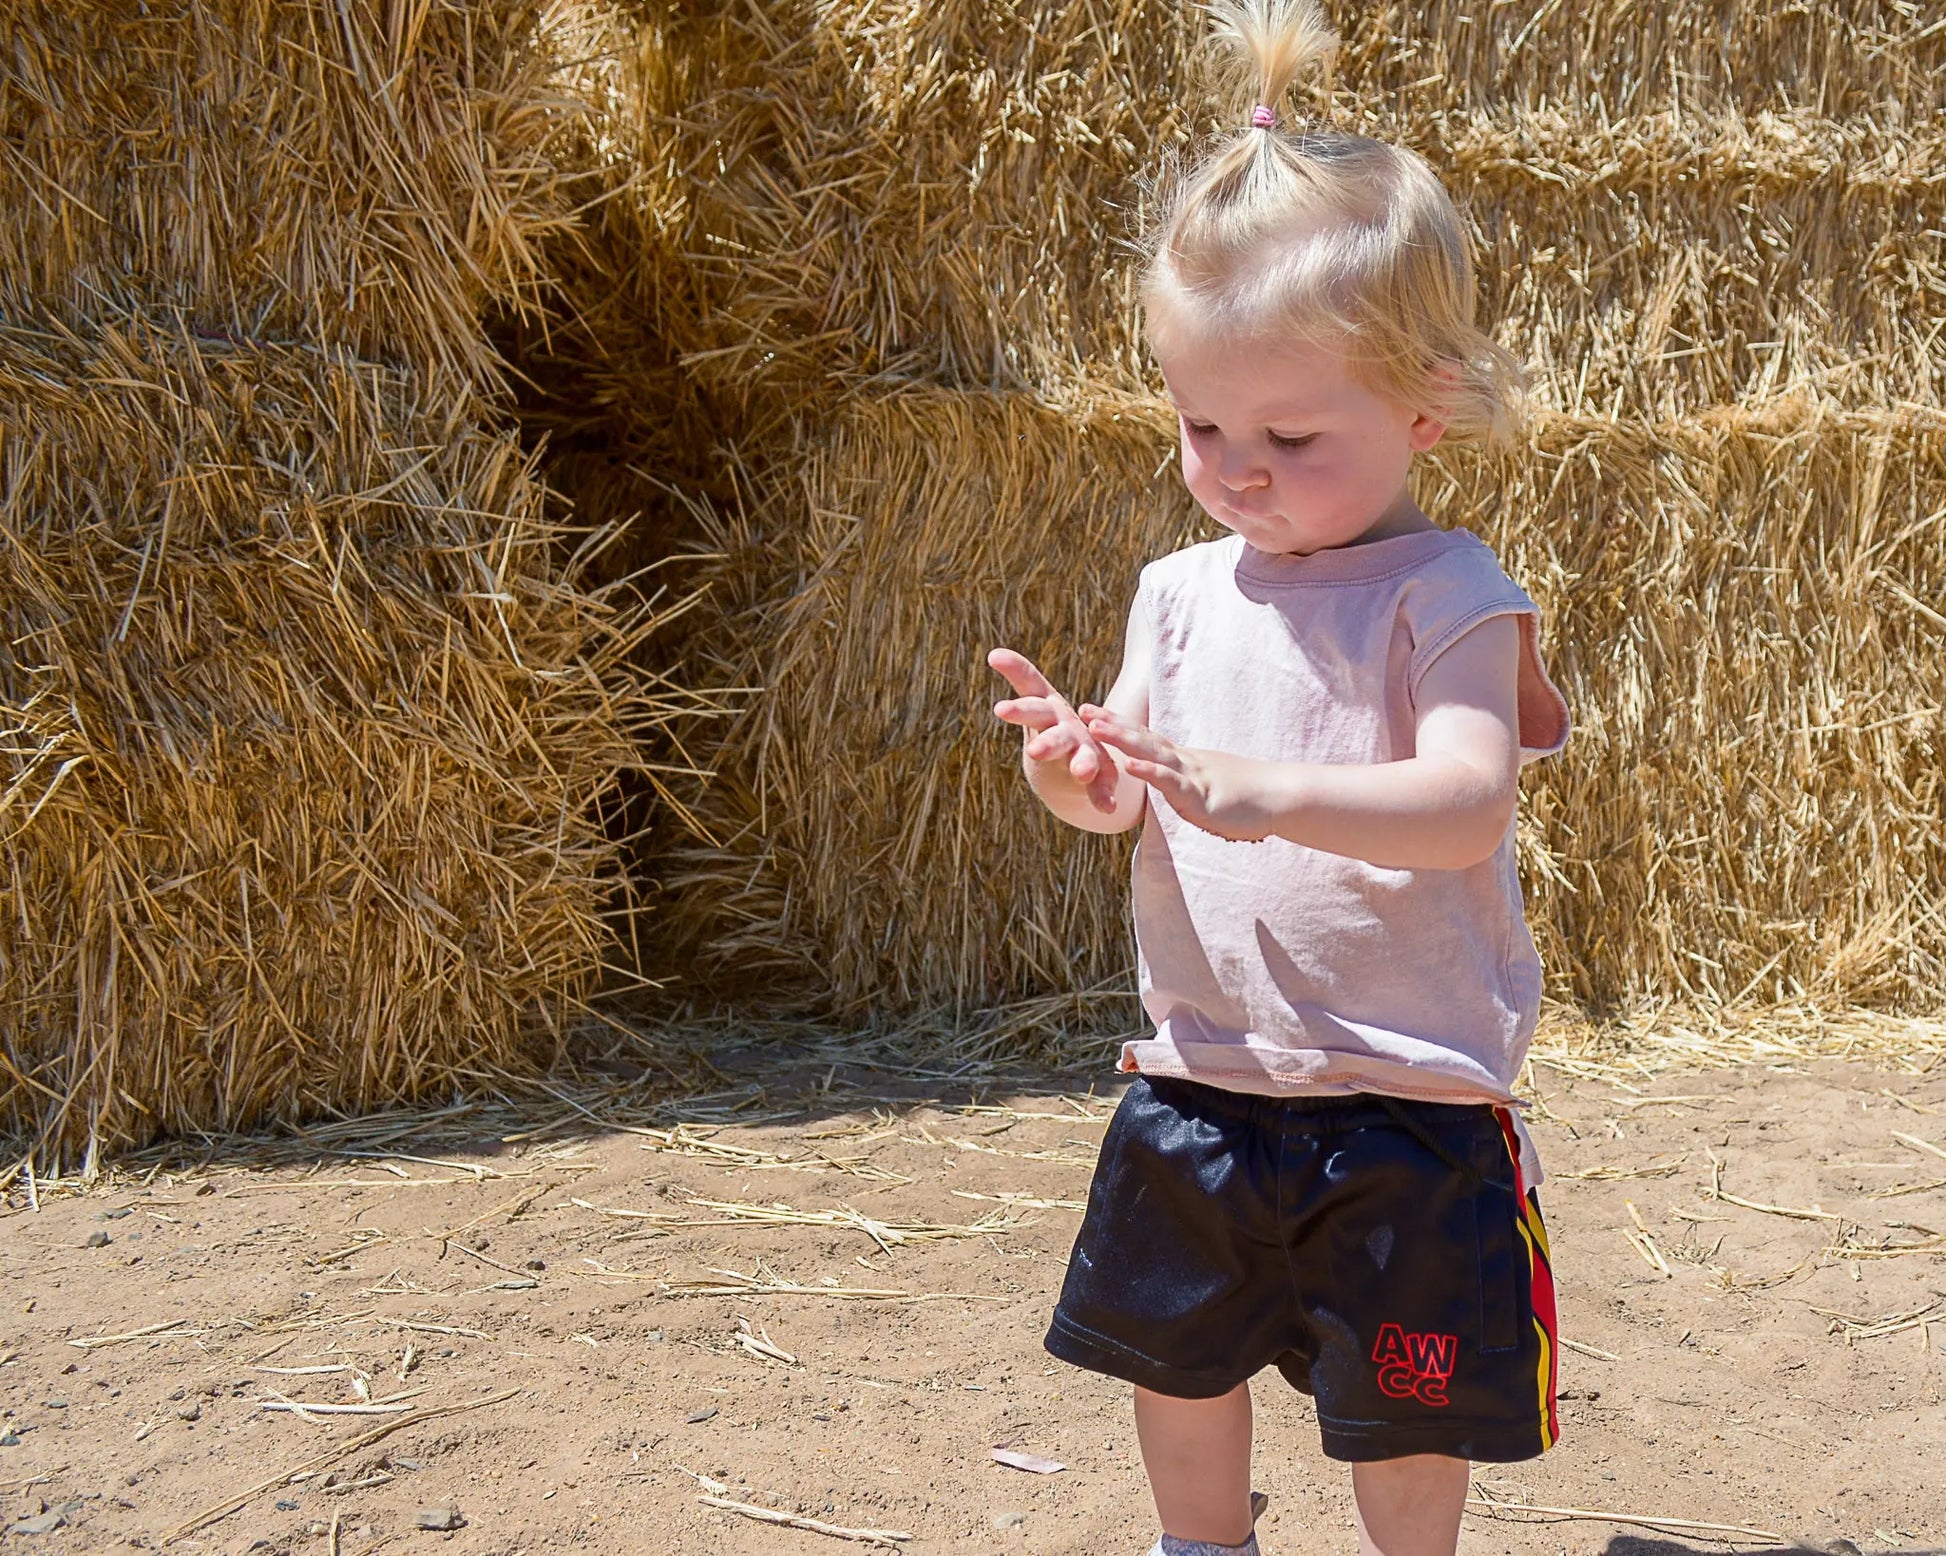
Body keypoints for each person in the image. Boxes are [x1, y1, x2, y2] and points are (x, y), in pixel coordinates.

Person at [987, 4, 1573, 1553]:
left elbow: (1465, 802)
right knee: (1172, 1360)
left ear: (1423, 405)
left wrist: (1265, 791)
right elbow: (1125, 793)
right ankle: (1203, 1543)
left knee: (1405, 1399)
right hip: (1199, 1074)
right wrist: (1074, 767)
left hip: (1400, 1095)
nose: (1237, 466)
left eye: (1291, 434)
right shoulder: (1178, 593)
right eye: (1199, 423)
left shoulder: (1447, 593)